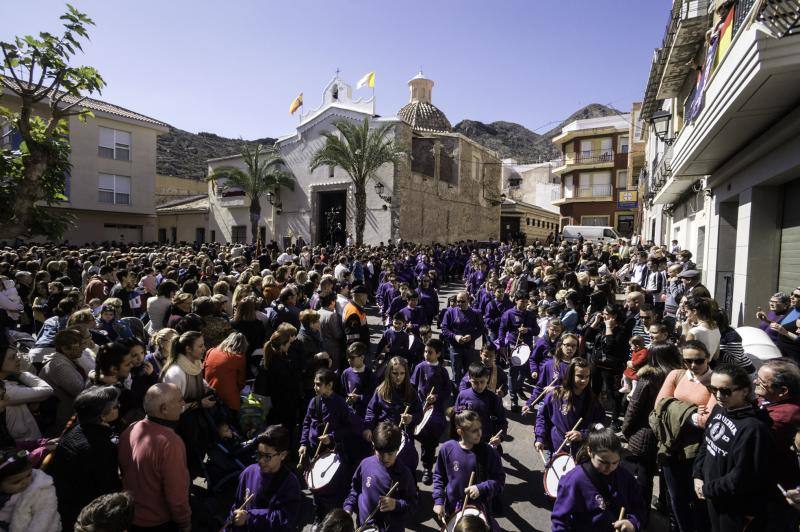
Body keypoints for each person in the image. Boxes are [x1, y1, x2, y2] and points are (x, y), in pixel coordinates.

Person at [693, 364, 776, 531]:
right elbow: (707, 442)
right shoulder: (719, 409)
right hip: (712, 496)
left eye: (725, 391)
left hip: (734, 508)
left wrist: (707, 488)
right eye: (713, 389)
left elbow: (743, 476)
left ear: (745, 391)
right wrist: (697, 474)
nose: (718, 395)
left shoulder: (753, 428)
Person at [654, 339, 717, 532]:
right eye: (688, 360)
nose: (693, 365)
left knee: (698, 500)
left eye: (699, 360)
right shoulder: (676, 375)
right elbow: (659, 405)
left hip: (697, 452)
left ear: (708, 358)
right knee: (676, 498)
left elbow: (706, 420)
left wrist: (675, 408)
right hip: (671, 447)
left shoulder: (716, 380)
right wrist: (691, 413)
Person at [118, 383, 191, 532]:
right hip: (158, 521)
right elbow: (176, 493)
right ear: (164, 409)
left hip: (131, 516)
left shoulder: (132, 428)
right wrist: (184, 522)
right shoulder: (171, 442)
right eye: (179, 400)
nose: (183, 403)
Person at [49, 386, 122, 530]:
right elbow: (107, 487)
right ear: (102, 416)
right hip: (86, 514)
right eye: (115, 406)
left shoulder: (76, 430)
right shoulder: (99, 447)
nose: (119, 407)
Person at [551, 427, 644, 532]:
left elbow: (639, 507)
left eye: (615, 463)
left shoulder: (624, 476)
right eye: (603, 462)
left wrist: (632, 523)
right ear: (590, 451)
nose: (610, 468)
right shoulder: (574, 480)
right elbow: (560, 522)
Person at [433, 409, 505, 531]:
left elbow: (499, 480)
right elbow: (439, 476)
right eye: (474, 431)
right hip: (452, 506)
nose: (479, 433)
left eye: (480, 428)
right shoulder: (447, 448)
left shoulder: (488, 452)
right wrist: (438, 501)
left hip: (479, 507)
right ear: (460, 432)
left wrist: (481, 488)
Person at [344, 421, 417, 532]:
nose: (385, 458)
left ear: (398, 449)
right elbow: (355, 489)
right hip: (363, 526)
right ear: (373, 446)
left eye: (390, 454)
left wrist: (396, 504)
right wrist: (348, 507)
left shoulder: (404, 474)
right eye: (380, 453)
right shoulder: (365, 464)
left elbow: (412, 505)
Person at [300, 368, 351, 523]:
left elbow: (348, 428)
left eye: (318, 384)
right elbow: (307, 423)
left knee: (331, 487)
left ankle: (332, 518)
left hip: (331, 452)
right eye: (315, 384)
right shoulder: (313, 401)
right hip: (314, 451)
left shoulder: (340, 403)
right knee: (315, 485)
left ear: (329, 385)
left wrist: (331, 437)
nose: (315, 387)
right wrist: (303, 443)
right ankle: (318, 515)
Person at [229, 424, 302, 531]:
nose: (260, 461)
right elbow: (237, 504)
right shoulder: (248, 472)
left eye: (267, 456)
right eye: (259, 454)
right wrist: (233, 519)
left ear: (283, 455)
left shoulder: (290, 483)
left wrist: (250, 517)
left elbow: (285, 519)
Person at [534, 357, 605, 461]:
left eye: (587, 377)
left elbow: (600, 427)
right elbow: (542, 417)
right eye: (580, 376)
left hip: (581, 453)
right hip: (556, 448)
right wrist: (539, 437)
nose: (584, 380)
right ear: (571, 375)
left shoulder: (593, 401)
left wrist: (583, 435)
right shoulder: (555, 395)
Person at [364, 356, 422, 474]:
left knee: (407, 464)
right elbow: (371, 411)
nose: (398, 377)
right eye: (395, 373)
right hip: (383, 434)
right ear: (389, 373)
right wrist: (368, 428)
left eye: (402, 373)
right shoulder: (380, 391)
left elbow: (419, 413)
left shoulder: (411, 392)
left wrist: (411, 418)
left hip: (403, 435)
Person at [410, 337, 452, 485]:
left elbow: (448, 391)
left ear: (438, 354)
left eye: (430, 352)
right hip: (420, 408)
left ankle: (427, 468)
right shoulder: (420, 367)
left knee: (430, 440)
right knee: (413, 435)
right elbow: (412, 386)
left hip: (435, 412)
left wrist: (437, 397)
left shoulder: (442, 371)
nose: (427, 354)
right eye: (425, 351)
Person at [39, 328, 89, 432]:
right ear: (65, 349)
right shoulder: (59, 365)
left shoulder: (69, 360)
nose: (83, 348)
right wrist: (94, 377)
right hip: (64, 422)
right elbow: (80, 391)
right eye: (79, 345)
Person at [0, 448, 61, 531]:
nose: (25, 482)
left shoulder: (42, 489)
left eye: (29, 475)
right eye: (16, 482)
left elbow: (44, 519)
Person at [498, 291, 539, 411]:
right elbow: (502, 328)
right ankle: (513, 399)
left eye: (526, 302)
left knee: (524, 372)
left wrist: (528, 330)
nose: (525, 304)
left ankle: (518, 388)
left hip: (526, 347)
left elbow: (536, 330)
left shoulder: (531, 314)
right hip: (513, 346)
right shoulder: (509, 313)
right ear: (516, 300)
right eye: (522, 301)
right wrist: (501, 344)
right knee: (513, 373)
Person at [455, 363, 506, 450]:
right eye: (475, 382)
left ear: (487, 379)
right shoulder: (462, 395)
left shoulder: (493, 398)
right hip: (467, 441)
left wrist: (500, 437)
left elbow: (502, 421)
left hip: (486, 441)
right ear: (469, 379)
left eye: (482, 382)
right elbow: (457, 415)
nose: (479, 385)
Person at [441, 291, 485, 384]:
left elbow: (481, 329)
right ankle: (457, 393)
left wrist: (472, 336)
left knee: (468, 373)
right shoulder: (450, 312)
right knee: (456, 374)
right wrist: (455, 336)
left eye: (463, 301)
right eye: (458, 301)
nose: (460, 304)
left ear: (468, 300)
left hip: (469, 348)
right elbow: (444, 329)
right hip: (455, 348)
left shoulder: (476, 313)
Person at [203, 331, 247, 412]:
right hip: (229, 400)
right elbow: (241, 382)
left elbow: (203, 371)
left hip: (209, 395)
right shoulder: (239, 358)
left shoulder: (210, 351)